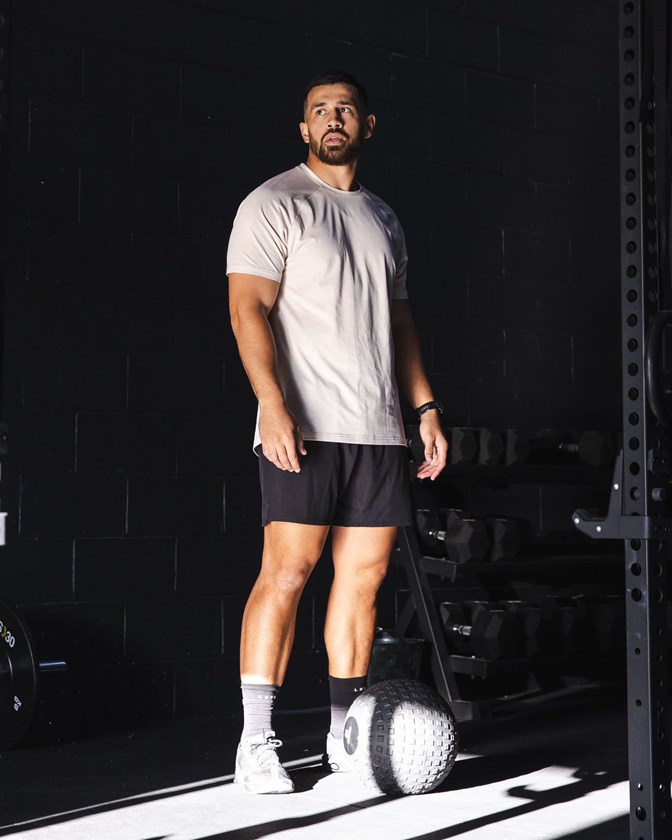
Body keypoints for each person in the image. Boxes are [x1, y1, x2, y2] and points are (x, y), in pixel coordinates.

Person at [227, 70, 447, 794]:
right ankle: (256, 743)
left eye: (344, 109)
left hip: (378, 431)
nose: (332, 119)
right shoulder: (274, 203)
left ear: (367, 125)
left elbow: (401, 322)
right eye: (319, 110)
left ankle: (344, 737)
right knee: (287, 574)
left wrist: (424, 410)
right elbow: (246, 311)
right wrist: (272, 404)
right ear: (303, 129)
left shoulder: (384, 218)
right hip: (304, 425)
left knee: (364, 582)